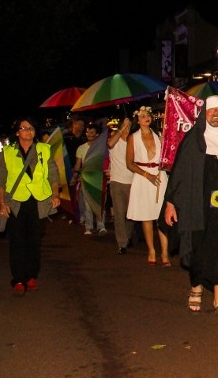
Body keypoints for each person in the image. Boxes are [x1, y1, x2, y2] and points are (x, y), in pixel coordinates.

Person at [164, 96, 218, 317]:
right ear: (204, 114)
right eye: (212, 110)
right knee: (199, 247)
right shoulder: (194, 140)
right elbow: (179, 174)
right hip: (199, 208)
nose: (216, 114)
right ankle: (196, 287)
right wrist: (171, 203)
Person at [0, 116, 60, 295]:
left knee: (34, 240)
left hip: (38, 201)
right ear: (17, 132)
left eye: (31, 128)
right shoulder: (7, 152)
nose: (28, 131)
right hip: (15, 201)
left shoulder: (44, 149)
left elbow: (53, 174)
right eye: (24, 128)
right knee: (17, 240)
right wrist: (1, 203)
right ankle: (18, 278)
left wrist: (55, 194)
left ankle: (31, 275)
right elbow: (0, 180)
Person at [126, 106, 169, 266]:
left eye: (148, 115)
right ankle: (151, 250)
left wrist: (165, 146)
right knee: (147, 216)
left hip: (159, 176)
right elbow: (129, 163)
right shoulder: (133, 137)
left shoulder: (159, 135)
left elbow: (168, 157)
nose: (146, 118)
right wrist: (147, 175)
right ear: (137, 120)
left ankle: (165, 252)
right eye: (142, 116)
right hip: (143, 178)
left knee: (162, 216)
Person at [70, 123, 106, 236]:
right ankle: (89, 227)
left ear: (97, 134)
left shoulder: (102, 147)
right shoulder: (81, 148)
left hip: (99, 178)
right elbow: (78, 164)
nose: (89, 134)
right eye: (87, 132)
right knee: (87, 204)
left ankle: (101, 226)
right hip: (86, 178)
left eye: (92, 132)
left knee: (100, 203)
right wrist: (74, 177)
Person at [106, 116, 133, 253]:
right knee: (119, 213)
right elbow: (110, 144)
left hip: (132, 181)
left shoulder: (133, 142)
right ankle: (122, 243)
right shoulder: (114, 141)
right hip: (117, 181)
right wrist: (121, 128)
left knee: (131, 214)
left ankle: (128, 237)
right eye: (125, 127)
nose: (127, 130)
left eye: (129, 127)